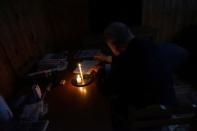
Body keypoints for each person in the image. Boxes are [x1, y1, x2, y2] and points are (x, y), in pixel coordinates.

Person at [94, 22, 177, 130]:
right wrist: (112, 60)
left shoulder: (123, 60)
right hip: (168, 105)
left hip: (144, 115)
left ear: (115, 45)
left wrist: (97, 75)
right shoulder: (150, 44)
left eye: (110, 47)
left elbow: (106, 90)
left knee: (110, 106)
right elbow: (136, 61)